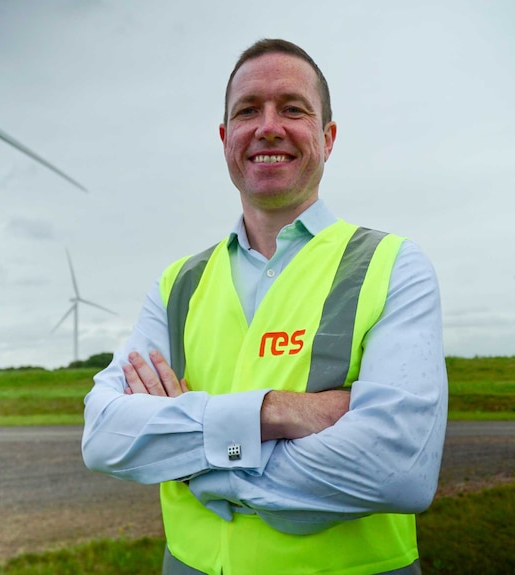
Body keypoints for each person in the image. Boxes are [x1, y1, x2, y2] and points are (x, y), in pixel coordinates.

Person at [82, 38, 447, 575]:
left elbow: (397, 469)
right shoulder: (178, 283)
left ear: (328, 137)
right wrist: (274, 412)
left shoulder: (393, 265)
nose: (268, 126)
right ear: (226, 137)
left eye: (292, 108)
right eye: (248, 110)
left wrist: (194, 466)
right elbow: (105, 435)